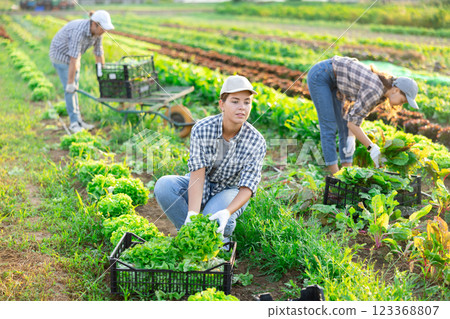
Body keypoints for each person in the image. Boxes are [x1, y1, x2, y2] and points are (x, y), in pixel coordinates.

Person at [154, 75, 266, 241]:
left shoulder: (256, 141)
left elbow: (247, 187)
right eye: (235, 101)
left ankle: (219, 238)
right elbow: (198, 174)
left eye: (247, 102)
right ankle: (188, 234)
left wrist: (227, 212)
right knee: (164, 186)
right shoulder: (203, 128)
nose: (242, 107)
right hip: (203, 183)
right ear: (222, 104)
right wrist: (192, 214)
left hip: (230, 190)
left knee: (214, 217)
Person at [307, 55, 419, 174]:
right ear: (396, 90)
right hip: (322, 75)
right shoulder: (374, 91)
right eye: (402, 101)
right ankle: (335, 176)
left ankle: (346, 173)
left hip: (337, 82)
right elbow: (353, 124)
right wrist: (371, 148)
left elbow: (355, 116)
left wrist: (351, 137)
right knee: (329, 127)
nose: (400, 105)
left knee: (345, 128)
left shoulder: (382, 95)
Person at [49, 10, 114, 133]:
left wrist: (101, 73)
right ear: (95, 24)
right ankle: (74, 124)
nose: (104, 31)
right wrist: (69, 82)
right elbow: (74, 59)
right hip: (60, 55)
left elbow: (99, 53)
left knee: (75, 87)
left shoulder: (98, 33)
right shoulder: (78, 32)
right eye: (103, 28)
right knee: (70, 89)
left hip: (72, 57)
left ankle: (78, 120)